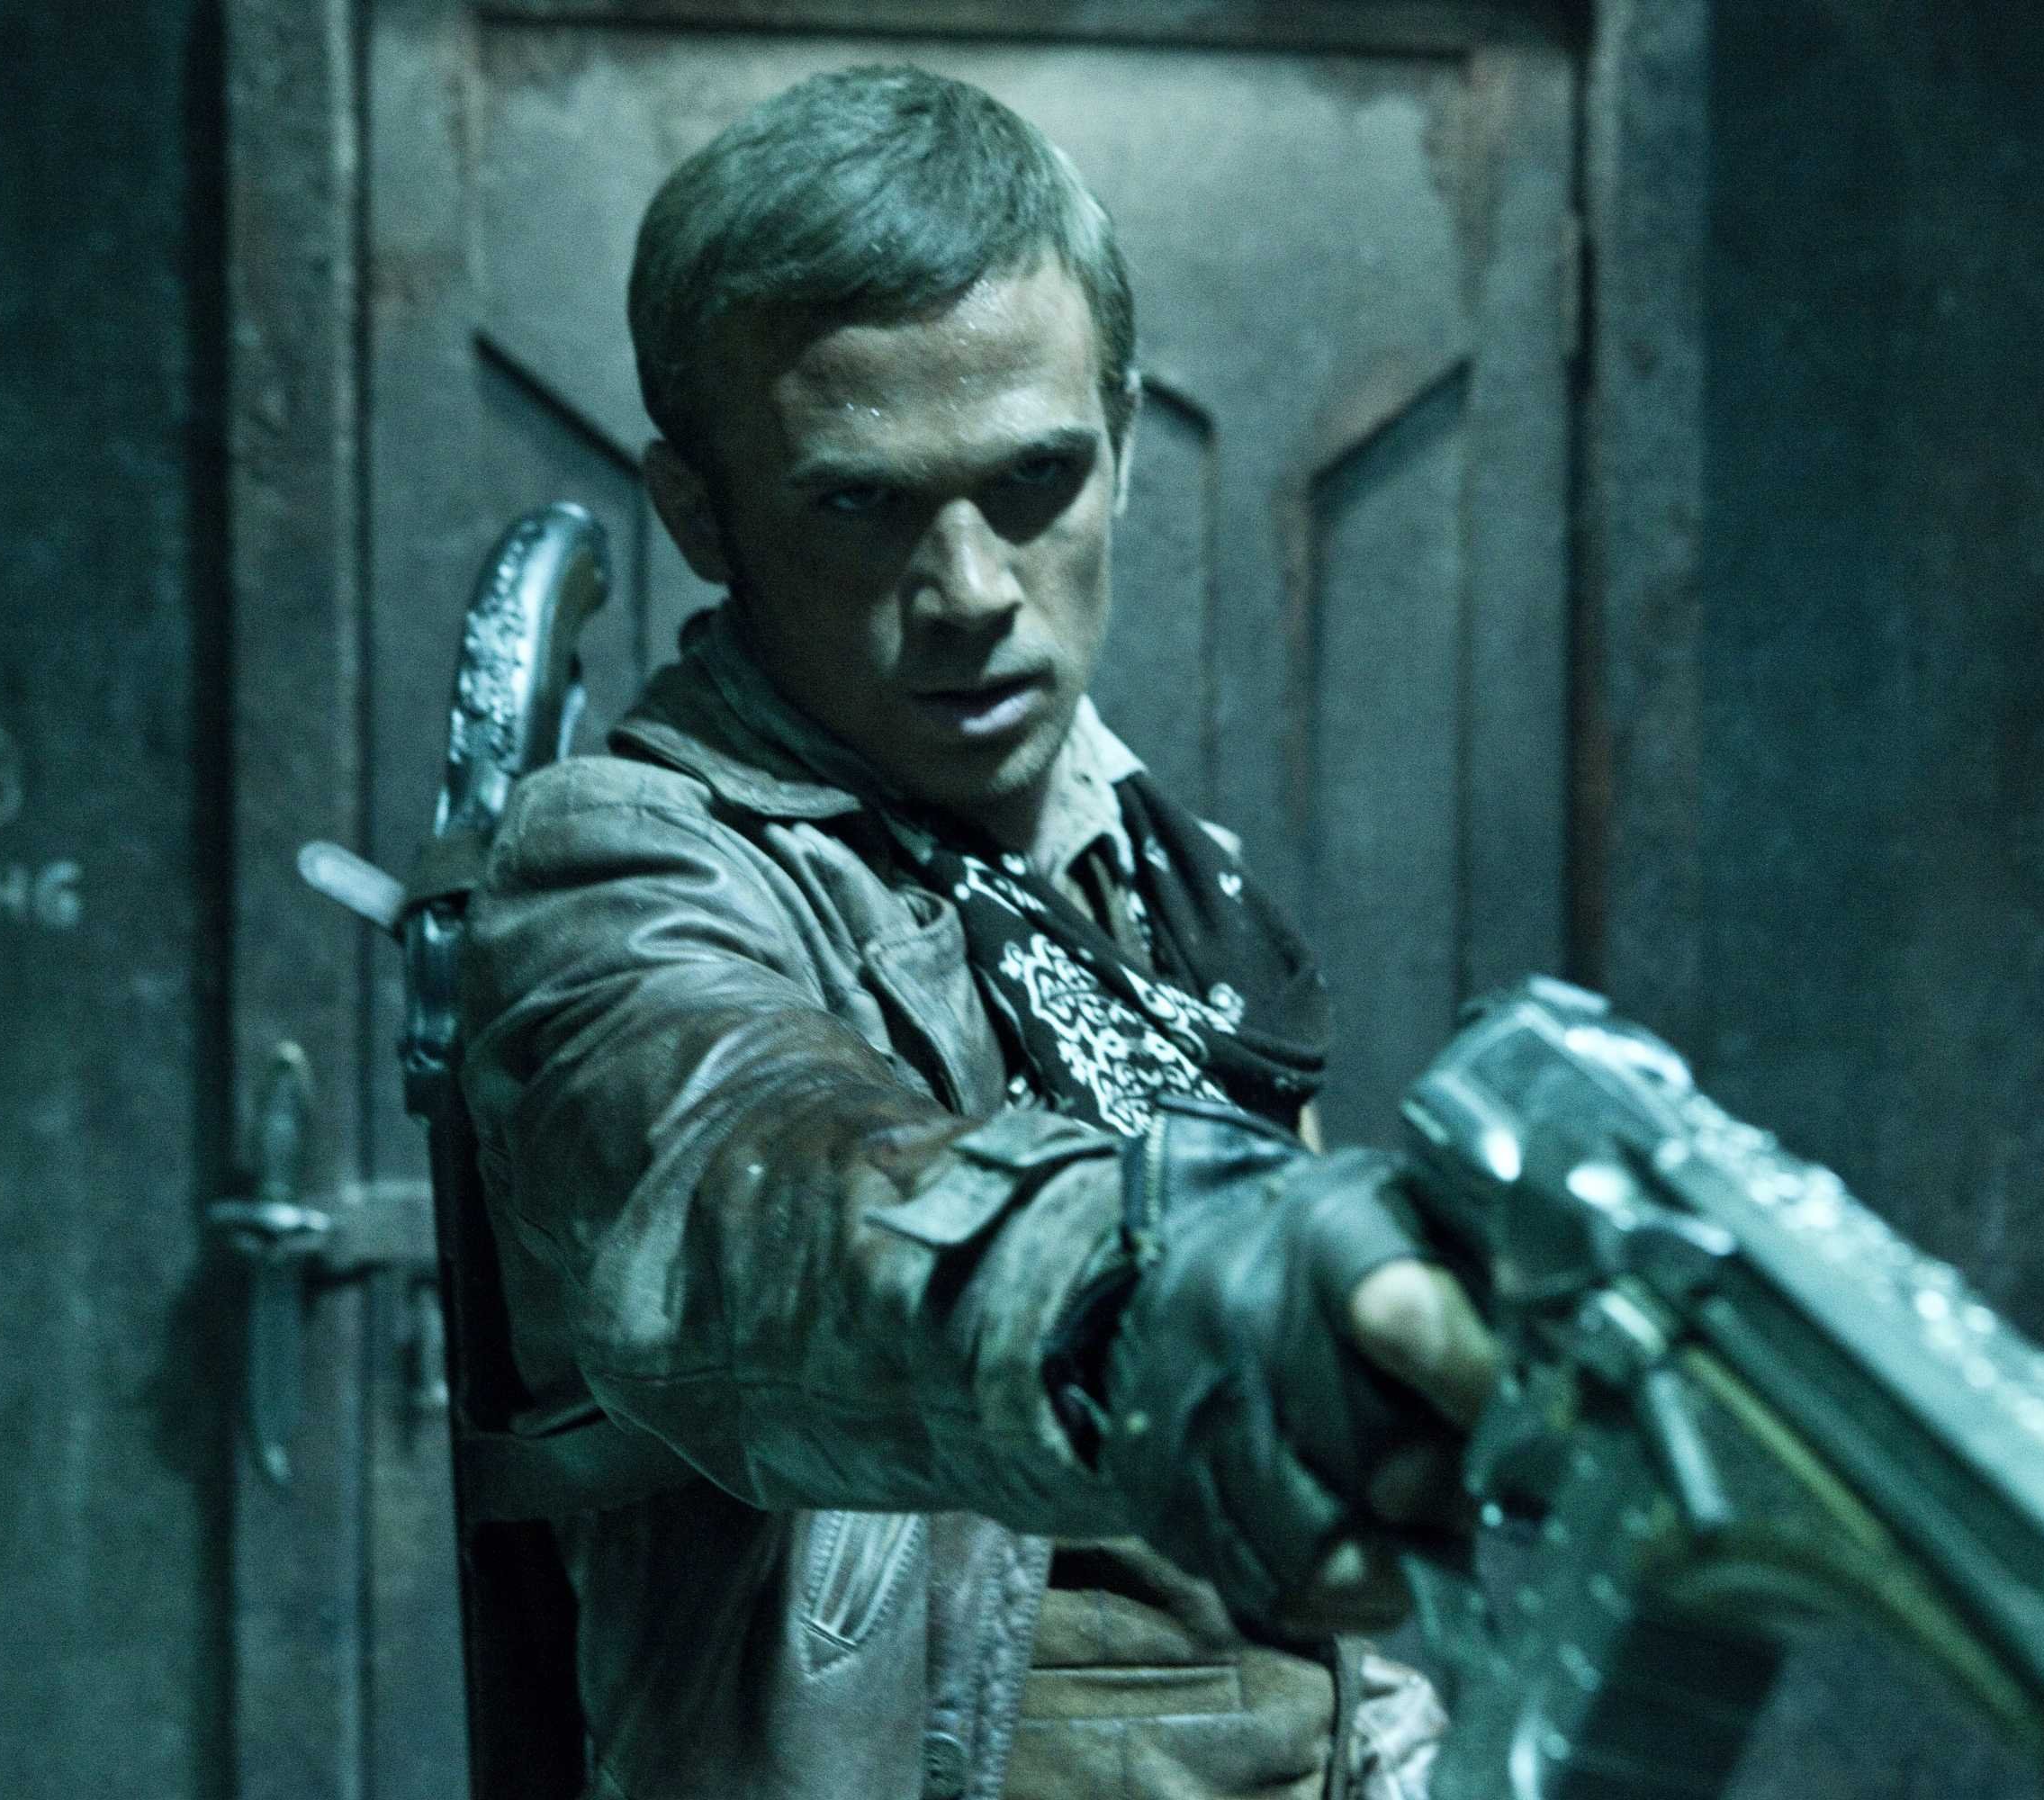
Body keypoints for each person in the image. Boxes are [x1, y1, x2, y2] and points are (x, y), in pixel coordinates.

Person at [458, 65, 1498, 1800]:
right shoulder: (620, 877)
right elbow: (771, 1210)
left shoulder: (1162, 875)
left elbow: (1319, 1607)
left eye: (1034, 478)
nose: (970, 592)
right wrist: (1172, 1295)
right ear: (702, 512)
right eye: (858, 503)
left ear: (1122, 439)